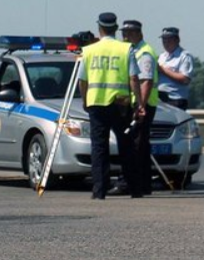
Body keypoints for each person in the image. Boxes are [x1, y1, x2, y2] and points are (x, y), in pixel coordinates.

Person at [78, 12, 143, 199]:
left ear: (99, 28)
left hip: (96, 103)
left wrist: (85, 100)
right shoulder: (126, 49)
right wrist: (138, 103)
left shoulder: (88, 51)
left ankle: (99, 191)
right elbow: (133, 78)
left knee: (99, 147)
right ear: (115, 28)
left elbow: (82, 81)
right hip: (120, 104)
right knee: (126, 145)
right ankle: (134, 188)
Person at [118, 19, 159, 195]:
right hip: (137, 103)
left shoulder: (145, 53)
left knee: (137, 145)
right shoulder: (132, 50)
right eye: (123, 33)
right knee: (139, 145)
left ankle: (135, 183)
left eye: (129, 33)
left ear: (139, 34)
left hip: (142, 104)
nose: (125, 36)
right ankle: (142, 184)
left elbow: (146, 81)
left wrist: (140, 106)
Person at [157, 26, 194, 110]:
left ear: (177, 40)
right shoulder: (162, 56)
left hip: (175, 99)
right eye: (164, 40)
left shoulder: (184, 56)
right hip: (160, 98)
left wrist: (162, 70)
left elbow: (185, 79)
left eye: (169, 40)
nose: (166, 43)